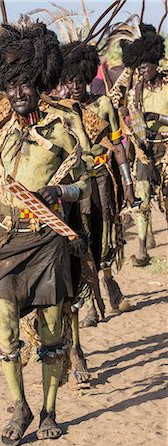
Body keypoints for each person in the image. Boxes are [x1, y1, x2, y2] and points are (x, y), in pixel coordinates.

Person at [0, 21, 92, 446]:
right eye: (11, 86)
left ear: (37, 83)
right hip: (10, 244)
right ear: (5, 89)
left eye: (24, 84)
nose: (18, 93)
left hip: (48, 242)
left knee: (51, 334)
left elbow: (83, 182)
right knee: (5, 319)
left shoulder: (63, 129)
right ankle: (19, 405)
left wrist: (59, 190)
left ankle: (48, 411)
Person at [61, 41, 135, 326]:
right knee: (83, 236)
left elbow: (117, 146)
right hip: (75, 183)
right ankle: (92, 302)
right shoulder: (64, 111)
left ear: (89, 77)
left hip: (102, 179)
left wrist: (127, 186)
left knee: (103, 233)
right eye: (71, 81)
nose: (76, 86)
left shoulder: (103, 105)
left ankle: (108, 280)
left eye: (81, 80)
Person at [121, 23, 168, 266]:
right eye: (138, 67)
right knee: (142, 196)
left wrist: (159, 118)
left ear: (154, 62)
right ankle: (141, 250)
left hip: (167, 148)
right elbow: (133, 120)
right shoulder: (135, 92)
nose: (142, 70)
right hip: (145, 151)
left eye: (145, 66)